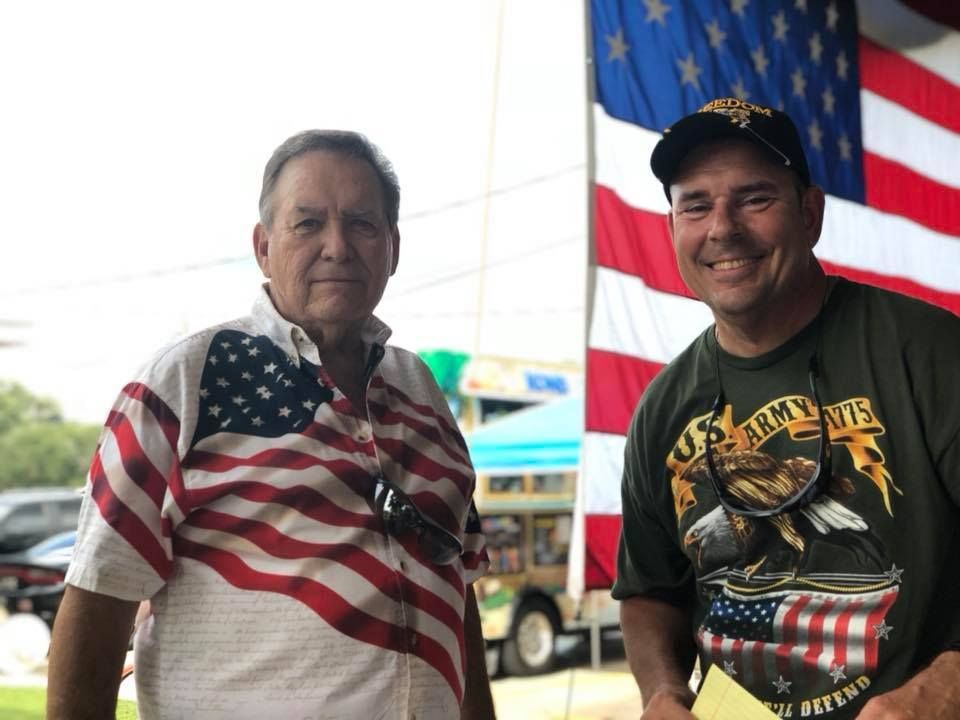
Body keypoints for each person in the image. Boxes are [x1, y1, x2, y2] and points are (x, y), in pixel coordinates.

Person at [47, 130, 497, 720]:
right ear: (263, 247)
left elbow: (457, 586)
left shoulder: (421, 390)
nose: (337, 246)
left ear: (393, 246)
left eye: (362, 224)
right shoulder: (184, 380)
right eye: (307, 223)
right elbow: (97, 600)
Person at [612, 98, 960, 719]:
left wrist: (942, 690)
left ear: (810, 213)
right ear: (672, 227)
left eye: (754, 198)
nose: (722, 228)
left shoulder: (930, 352)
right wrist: (662, 691)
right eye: (696, 205)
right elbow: (650, 592)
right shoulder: (662, 408)